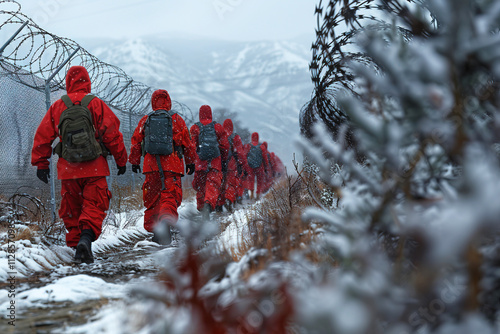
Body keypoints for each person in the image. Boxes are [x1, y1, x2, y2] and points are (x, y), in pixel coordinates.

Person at [31, 65, 128, 264]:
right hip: (95, 167)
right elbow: (112, 135)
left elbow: (43, 136)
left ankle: (77, 249)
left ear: (67, 83)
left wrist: (41, 162)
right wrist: (121, 160)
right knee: (94, 204)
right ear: (87, 82)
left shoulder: (58, 106)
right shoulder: (96, 104)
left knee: (72, 209)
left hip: (68, 170)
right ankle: (86, 240)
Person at [129, 89, 195, 244]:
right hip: (172, 165)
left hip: (151, 166)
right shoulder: (177, 119)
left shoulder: (146, 120)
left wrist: (134, 161)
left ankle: (156, 231)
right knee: (169, 196)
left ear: (153, 102)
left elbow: (136, 141)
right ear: (168, 101)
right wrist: (190, 162)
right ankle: (165, 222)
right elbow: (187, 143)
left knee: (153, 199)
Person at [190, 105, 228, 219]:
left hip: (200, 162)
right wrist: (223, 159)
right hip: (215, 162)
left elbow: (191, 146)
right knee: (213, 185)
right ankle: (208, 204)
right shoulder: (217, 127)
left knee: (201, 186)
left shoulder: (195, 128)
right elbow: (224, 146)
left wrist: (191, 161)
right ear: (210, 113)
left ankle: (202, 207)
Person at [244, 132, 267, 200]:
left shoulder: (248, 146)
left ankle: (251, 194)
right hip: (260, 166)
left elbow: (244, 156)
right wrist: (265, 165)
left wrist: (245, 166)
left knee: (251, 180)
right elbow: (265, 157)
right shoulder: (261, 146)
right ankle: (258, 194)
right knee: (260, 180)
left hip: (250, 166)